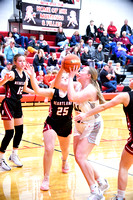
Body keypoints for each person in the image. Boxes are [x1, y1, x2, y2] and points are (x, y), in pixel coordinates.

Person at [54, 65, 109, 200]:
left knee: (80, 157)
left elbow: (72, 98)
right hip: (79, 125)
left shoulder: (90, 89)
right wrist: (63, 68)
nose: (79, 71)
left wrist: (71, 76)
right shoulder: (78, 85)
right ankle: (102, 181)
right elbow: (57, 84)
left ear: (88, 76)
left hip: (93, 125)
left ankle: (95, 191)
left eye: (82, 70)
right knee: (80, 158)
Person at [74, 79, 133, 200]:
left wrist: (85, 114)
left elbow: (104, 106)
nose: (130, 79)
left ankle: (120, 197)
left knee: (123, 167)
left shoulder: (125, 96)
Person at [25, 65, 73, 191]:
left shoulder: (73, 92)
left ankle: (64, 160)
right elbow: (38, 91)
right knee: (49, 149)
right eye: (61, 77)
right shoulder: (53, 92)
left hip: (66, 124)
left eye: (65, 77)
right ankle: (46, 178)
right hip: (52, 123)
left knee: (65, 149)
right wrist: (31, 76)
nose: (63, 79)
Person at [0, 54, 34, 171]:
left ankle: (14, 155)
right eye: (20, 61)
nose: (23, 63)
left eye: (24, 61)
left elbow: (24, 89)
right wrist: (4, 79)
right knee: (9, 133)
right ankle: (0, 159)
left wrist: (37, 91)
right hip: (8, 103)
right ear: (15, 62)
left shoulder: (24, 74)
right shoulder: (12, 73)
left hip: (17, 104)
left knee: (19, 131)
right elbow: (0, 84)